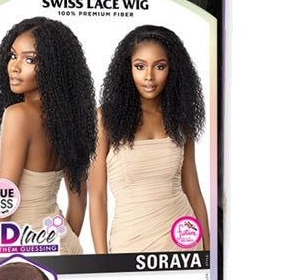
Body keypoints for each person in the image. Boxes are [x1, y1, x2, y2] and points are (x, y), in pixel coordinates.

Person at [89, 25, 209, 253]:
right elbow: (97, 195)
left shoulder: (180, 119)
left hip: (183, 240)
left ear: (173, 69)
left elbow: (193, 192)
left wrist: (208, 253)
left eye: (160, 67)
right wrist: (101, 259)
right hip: (129, 242)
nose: (149, 77)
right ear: (127, 68)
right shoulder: (105, 119)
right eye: (140, 66)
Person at [0, 17, 97, 255]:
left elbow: (1, 203)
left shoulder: (18, 115)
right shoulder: (69, 121)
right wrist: (64, 248)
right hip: (61, 244)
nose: (14, 67)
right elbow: (79, 199)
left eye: (30, 60)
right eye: (13, 55)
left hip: (24, 249)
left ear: (53, 67)